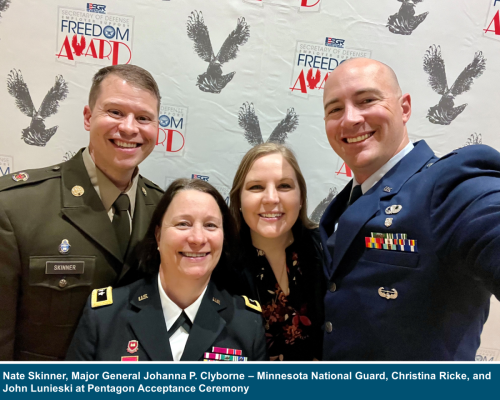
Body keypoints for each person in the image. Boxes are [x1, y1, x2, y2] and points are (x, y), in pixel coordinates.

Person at [320, 57, 500, 361]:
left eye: (366, 100)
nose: (349, 119)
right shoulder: (346, 202)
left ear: (404, 108)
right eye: (335, 109)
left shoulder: (449, 183)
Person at [0, 64, 164, 361]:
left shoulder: (165, 213)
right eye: (115, 112)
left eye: (143, 118)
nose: (129, 128)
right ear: (88, 118)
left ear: (157, 129)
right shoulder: (15, 207)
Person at [66, 179, 267, 361]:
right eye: (183, 224)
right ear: (159, 235)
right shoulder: (104, 317)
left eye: (210, 225)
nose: (197, 238)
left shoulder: (247, 323)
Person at [229, 143, 325, 361]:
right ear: (239, 200)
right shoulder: (220, 265)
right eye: (256, 187)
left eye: (284, 186)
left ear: (301, 198)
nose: (271, 198)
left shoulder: (326, 251)